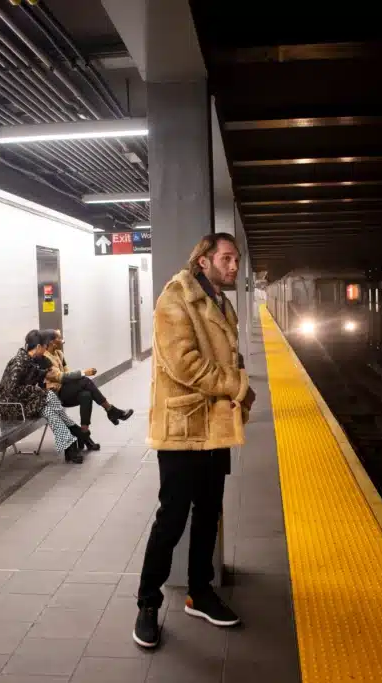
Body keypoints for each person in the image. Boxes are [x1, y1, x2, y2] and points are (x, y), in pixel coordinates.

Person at [132, 233, 256, 649]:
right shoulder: (176, 298)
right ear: (203, 261)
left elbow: (228, 356)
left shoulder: (221, 302)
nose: (233, 266)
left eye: (235, 259)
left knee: (208, 514)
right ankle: (147, 603)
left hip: (216, 427)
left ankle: (199, 592)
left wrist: (236, 387)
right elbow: (183, 364)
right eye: (226, 258)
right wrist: (237, 385)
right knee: (171, 519)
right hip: (183, 429)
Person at [0, 330, 88, 464]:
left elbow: (34, 373)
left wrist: (45, 373)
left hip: (22, 402)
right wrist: (35, 389)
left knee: (49, 411)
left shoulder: (28, 360)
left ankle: (70, 445)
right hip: (10, 405)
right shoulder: (18, 363)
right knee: (49, 396)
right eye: (44, 347)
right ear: (38, 347)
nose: (45, 351)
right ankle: (74, 431)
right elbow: (11, 391)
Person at [41, 329, 133, 451]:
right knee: (85, 381)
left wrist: (78, 377)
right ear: (52, 341)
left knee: (86, 395)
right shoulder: (44, 358)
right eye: (59, 337)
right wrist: (83, 373)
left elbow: (67, 374)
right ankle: (110, 410)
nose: (62, 339)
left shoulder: (59, 354)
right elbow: (60, 377)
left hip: (66, 389)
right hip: (55, 394)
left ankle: (84, 434)